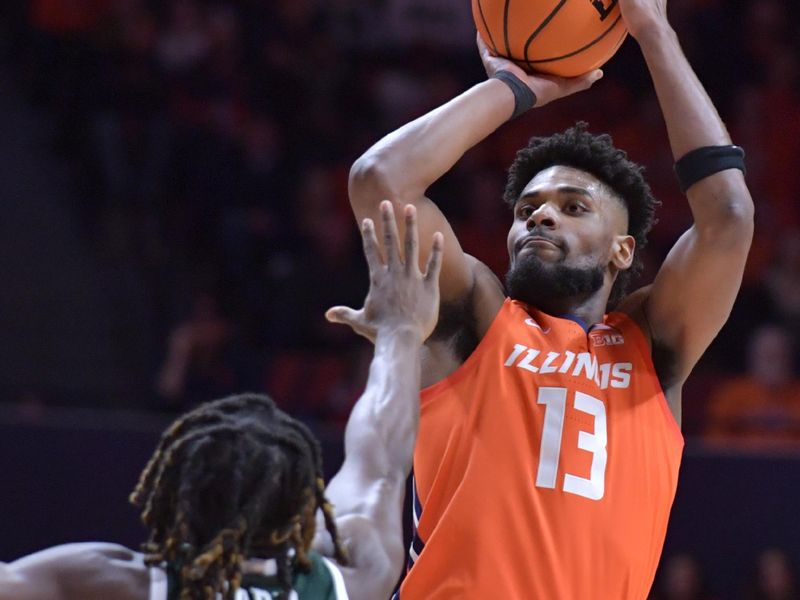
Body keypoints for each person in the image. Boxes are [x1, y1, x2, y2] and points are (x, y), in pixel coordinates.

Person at [347, 0, 753, 597]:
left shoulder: (651, 346)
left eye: (573, 207)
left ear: (621, 251)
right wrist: (513, 89)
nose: (539, 216)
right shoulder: (477, 320)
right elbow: (380, 179)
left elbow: (729, 215)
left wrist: (653, 31)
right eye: (526, 208)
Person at [0, 203, 444, 600]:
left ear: (182, 498)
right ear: (300, 510)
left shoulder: (128, 582)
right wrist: (400, 331)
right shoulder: (350, 581)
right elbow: (381, 461)